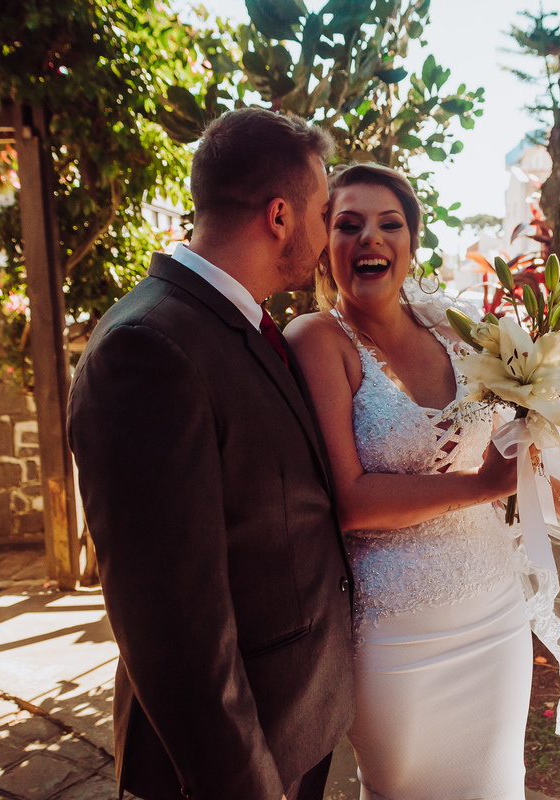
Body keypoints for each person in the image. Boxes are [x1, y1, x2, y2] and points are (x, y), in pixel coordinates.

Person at [285, 162, 560, 799]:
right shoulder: (316, 340)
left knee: (496, 785)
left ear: (412, 242)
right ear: (324, 244)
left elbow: (512, 454)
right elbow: (351, 500)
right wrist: (479, 488)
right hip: (394, 633)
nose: (370, 238)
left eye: (389, 224)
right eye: (348, 224)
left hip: (494, 616)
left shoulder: (455, 328)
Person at [67, 108, 354, 800]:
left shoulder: (241, 322)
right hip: (235, 765)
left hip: (293, 727)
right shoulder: (149, 349)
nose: (326, 236)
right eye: (323, 213)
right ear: (280, 216)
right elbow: (174, 630)